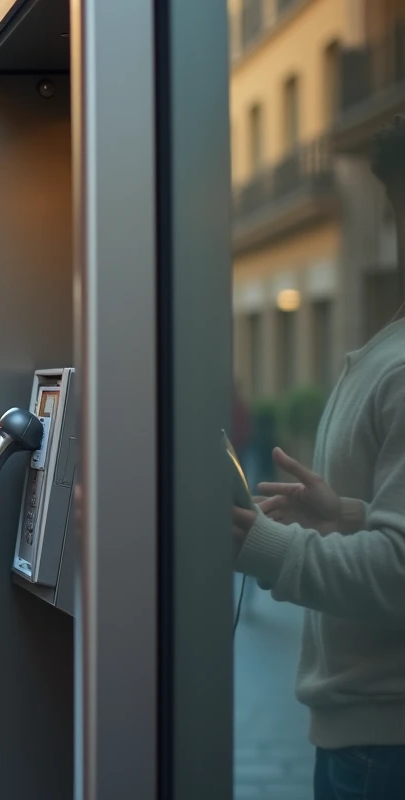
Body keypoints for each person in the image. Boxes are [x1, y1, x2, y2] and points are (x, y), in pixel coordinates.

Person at [233, 116, 405, 798]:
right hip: (367, 738)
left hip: (384, 748)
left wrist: (257, 546)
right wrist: (352, 514)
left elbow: (399, 573)